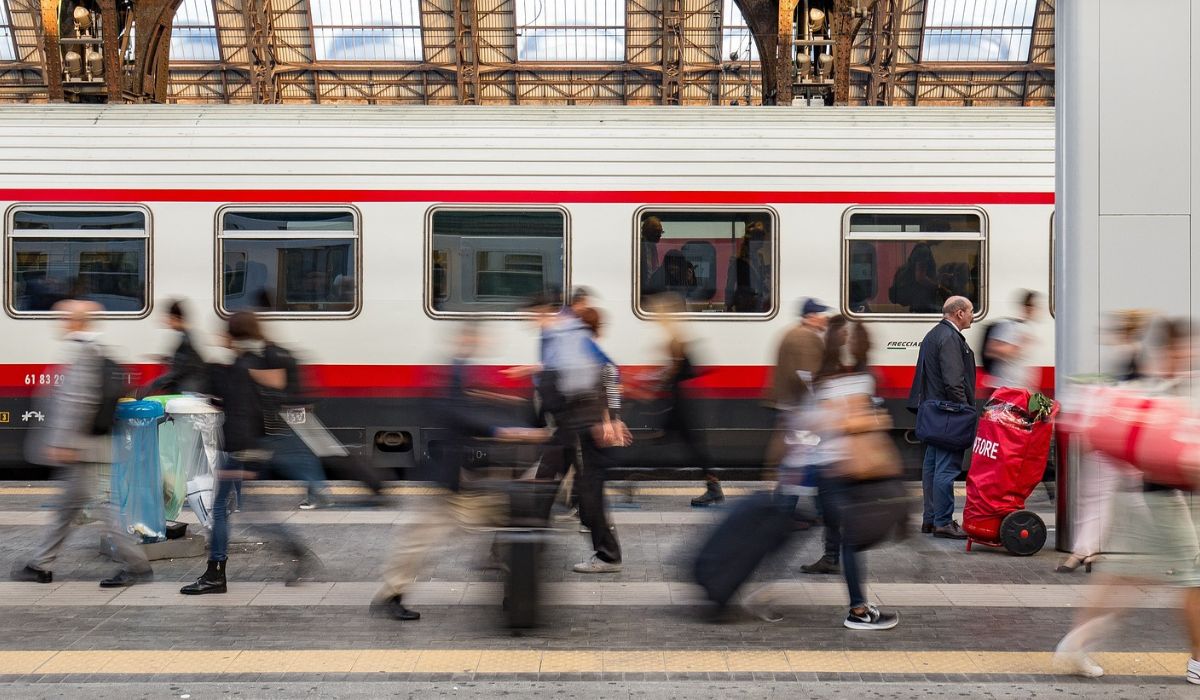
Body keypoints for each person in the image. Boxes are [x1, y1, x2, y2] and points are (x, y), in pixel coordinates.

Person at [1054, 318, 1200, 683]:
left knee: (1125, 576)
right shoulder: (1162, 390)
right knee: (1193, 579)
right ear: (1169, 350)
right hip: (1165, 498)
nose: (1190, 354)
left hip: (1147, 496)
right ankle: (1199, 661)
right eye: (1184, 348)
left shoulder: (1162, 385)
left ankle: (1078, 642)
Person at [373, 323, 547, 621]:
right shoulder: (449, 371)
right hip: (451, 476)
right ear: (464, 338)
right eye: (476, 336)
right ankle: (392, 593)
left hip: (467, 476)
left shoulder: (461, 370)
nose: (480, 342)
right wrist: (503, 430)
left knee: (509, 524)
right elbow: (456, 413)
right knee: (424, 535)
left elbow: (468, 404)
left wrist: (497, 403)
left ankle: (515, 592)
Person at [10, 300, 153, 587]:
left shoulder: (83, 353)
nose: (61, 322)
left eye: (65, 317)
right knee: (68, 508)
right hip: (89, 444)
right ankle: (41, 564)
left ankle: (137, 565)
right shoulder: (96, 351)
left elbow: (78, 402)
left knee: (104, 508)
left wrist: (64, 442)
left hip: (82, 446)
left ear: (78, 321)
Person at [180, 312, 316, 595]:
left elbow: (242, 412)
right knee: (243, 513)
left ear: (232, 336)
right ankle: (290, 552)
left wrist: (238, 454)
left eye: (223, 332)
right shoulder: (251, 364)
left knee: (228, 512)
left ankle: (217, 574)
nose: (219, 337)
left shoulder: (239, 368)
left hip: (238, 450)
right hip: (249, 447)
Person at [805, 320, 900, 630]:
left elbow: (819, 423)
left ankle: (858, 604)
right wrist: (866, 420)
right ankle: (857, 610)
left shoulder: (822, 378)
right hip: (845, 470)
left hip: (832, 468)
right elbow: (853, 421)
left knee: (846, 536)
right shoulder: (859, 380)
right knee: (851, 538)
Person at [908, 295, 976, 540]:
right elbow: (953, 380)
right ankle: (944, 522)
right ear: (959, 313)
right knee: (946, 470)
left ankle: (931, 519)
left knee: (932, 467)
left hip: (934, 414)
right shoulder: (949, 338)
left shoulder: (934, 334)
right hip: (949, 415)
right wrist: (966, 410)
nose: (972, 316)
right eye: (970, 312)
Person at [646, 294, 721, 506]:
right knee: (689, 447)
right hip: (682, 402)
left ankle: (713, 489)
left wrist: (657, 383)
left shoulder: (676, 339)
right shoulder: (677, 337)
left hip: (683, 404)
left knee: (692, 447)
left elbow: (677, 371)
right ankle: (713, 488)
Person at [800, 314, 849, 575]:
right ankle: (832, 556)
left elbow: (819, 415)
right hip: (837, 454)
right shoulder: (841, 368)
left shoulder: (828, 370)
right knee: (832, 510)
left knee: (832, 510)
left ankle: (833, 557)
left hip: (831, 454)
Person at [139, 299, 208, 397]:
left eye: (169, 319)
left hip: (187, 391)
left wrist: (149, 387)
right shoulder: (188, 336)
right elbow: (186, 362)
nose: (168, 322)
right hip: (191, 388)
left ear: (176, 318)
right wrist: (165, 358)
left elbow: (176, 372)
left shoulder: (185, 342)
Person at [983, 290, 1040, 391]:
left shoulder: (1029, 328)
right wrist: (1019, 344)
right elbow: (991, 350)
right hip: (1005, 389)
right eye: (1036, 307)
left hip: (1021, 389)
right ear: (1028, 308)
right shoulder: (1009, 326)